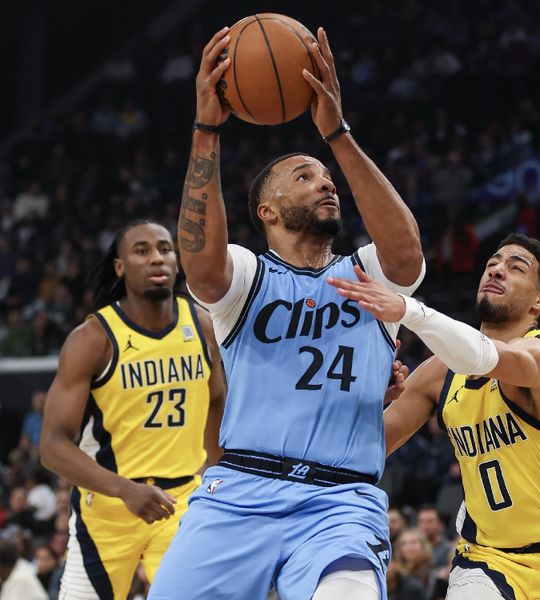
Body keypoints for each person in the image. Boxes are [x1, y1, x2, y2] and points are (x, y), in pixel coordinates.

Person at [149, 24, 423, 600]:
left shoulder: (369, 273)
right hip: (238, 492)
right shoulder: (249, 276)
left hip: (340, 502)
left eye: (328, 179)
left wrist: (337, 135)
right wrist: (206, 131)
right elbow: (199, 265)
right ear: (268, 210)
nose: (327, 185)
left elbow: (407, 252)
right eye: (306, 176)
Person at [328, 233, 540, 598]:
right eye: (492, 263)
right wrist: (365, 400)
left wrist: (411, 311)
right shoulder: (438, 372)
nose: (496, 271)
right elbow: (363, 448)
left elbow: (490, 359)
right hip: (486, 560)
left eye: (515, 268)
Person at [40, 220, 227, 600]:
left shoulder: (201, 324)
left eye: (165, 249)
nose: (156, 258)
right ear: (120, 266)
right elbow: (52, 446)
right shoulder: (92, 338)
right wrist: (126, 490)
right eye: (142, 251)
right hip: (108, 506)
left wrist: (216, 473)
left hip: (181, 503)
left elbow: (218, 400)